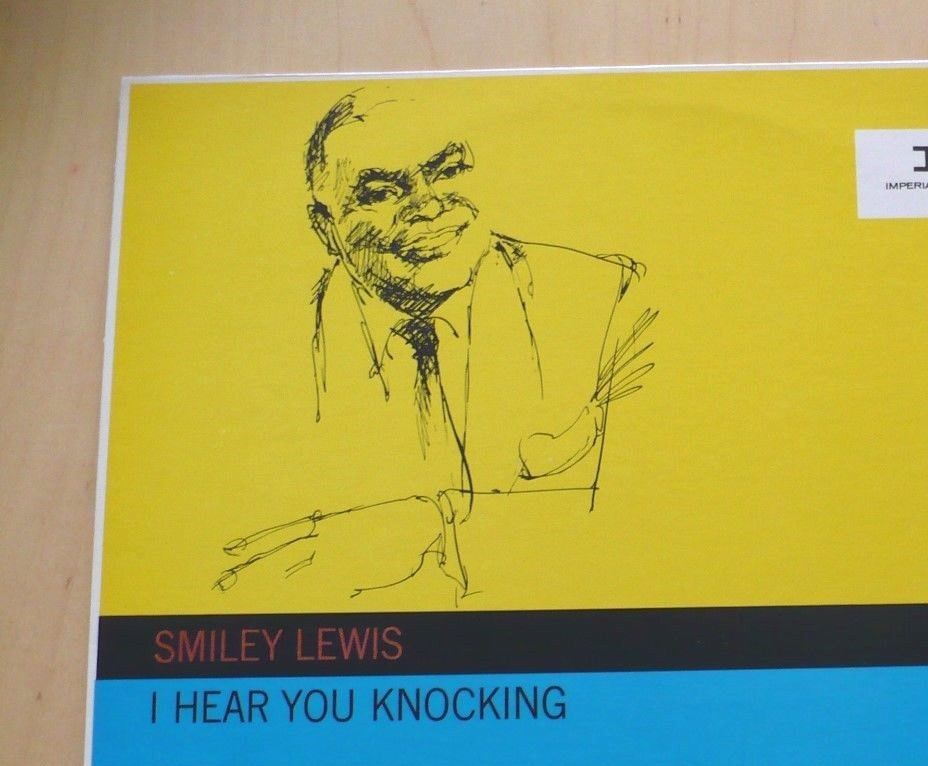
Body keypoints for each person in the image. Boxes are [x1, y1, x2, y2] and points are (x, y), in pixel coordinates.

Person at [216, 90, 654, 599]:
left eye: (446, 172)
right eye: (380, 193)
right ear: (326, 228)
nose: (426, 207)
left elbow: (641, 532)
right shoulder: (261, 352)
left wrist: (411, 535)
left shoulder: (608, 300)